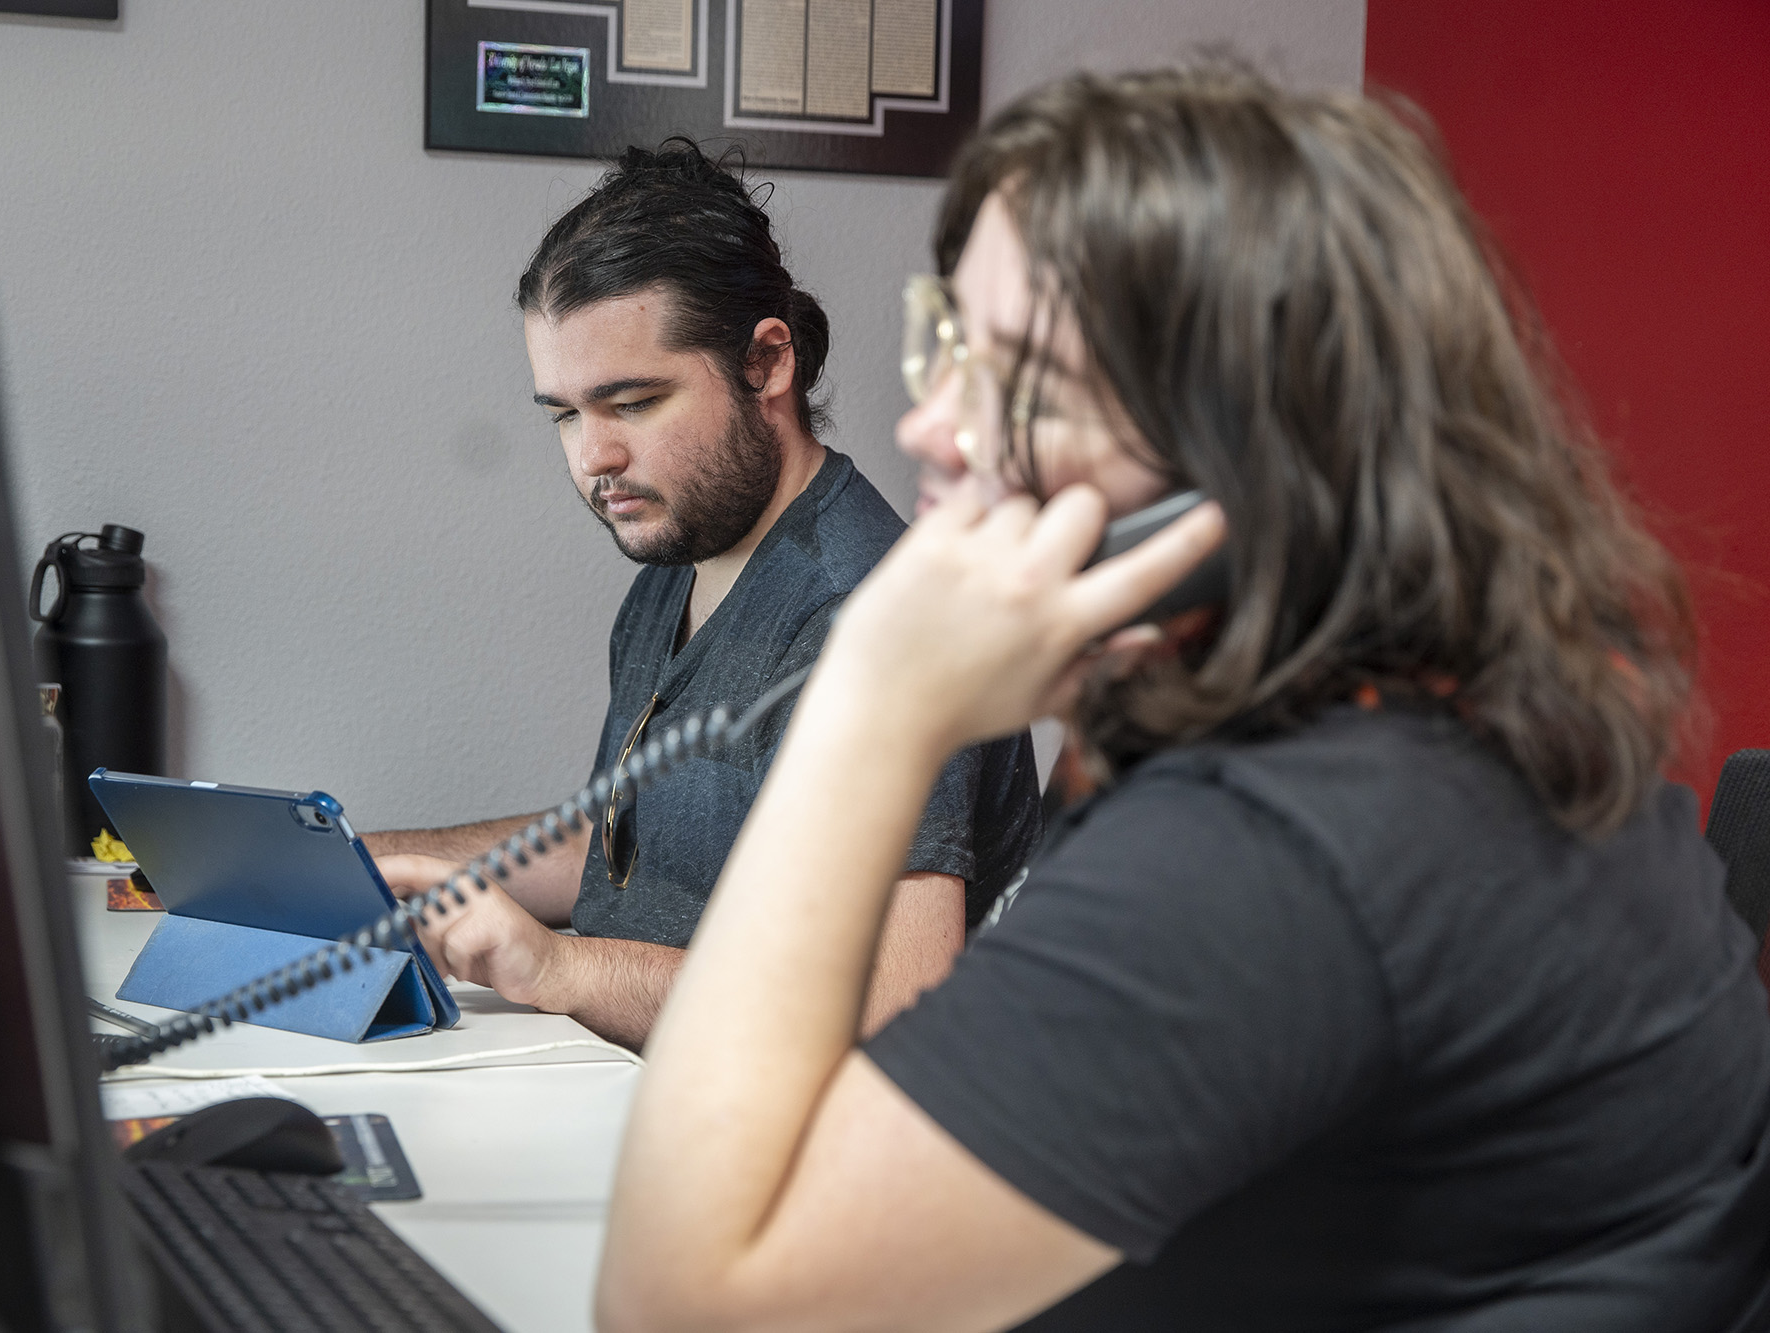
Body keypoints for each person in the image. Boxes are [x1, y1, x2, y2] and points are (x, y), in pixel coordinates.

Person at [587, 69, 1770, 1330]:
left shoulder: (1288, 845)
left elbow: (678, 1308)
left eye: (1021, 378)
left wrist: (866, 714)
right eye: (948, 340)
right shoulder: (1411, 721)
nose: (932, 425)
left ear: (1246, 450)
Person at [369, 141, 1040, 1048]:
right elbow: (626, 850)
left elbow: (892, 1000)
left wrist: (561, 968)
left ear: (767, 363)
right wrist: (372, 866)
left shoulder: (880, 623)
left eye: (634, 403)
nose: (591, 457)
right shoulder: (678, 569)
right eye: (565, 414)